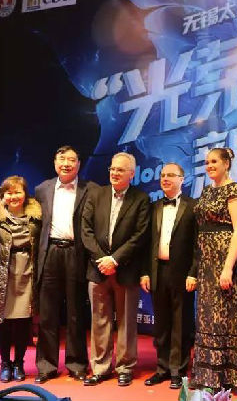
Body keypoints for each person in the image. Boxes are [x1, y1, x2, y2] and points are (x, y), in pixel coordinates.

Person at [81, 152, 150, 387]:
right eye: (112, 168)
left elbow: (140, 235)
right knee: (99, 321)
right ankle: (100, 368)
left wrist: (115, 260)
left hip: (125, 270)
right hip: (97, 268)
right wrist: (102, 259)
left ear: (132, 174)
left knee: (126, 322)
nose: (114, 173)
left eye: (120, 170)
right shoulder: (96, 194)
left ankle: (125, 367)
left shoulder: (141, 199)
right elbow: (86, 230)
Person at [34, 146, 97, 383]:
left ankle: (77, 363)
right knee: (48, 313)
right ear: (55, 163)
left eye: (71, 160)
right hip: (50, 252)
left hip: (76, 253)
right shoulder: (42, 189)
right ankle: (46, 366)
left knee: (75, 313)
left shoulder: (91, 189)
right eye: (62, 159)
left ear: (79, 164)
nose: (66, 164)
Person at [192, 147, 237, 391]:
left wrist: (228, 268)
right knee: (205, 317)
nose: (209, 166)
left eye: (214, 161)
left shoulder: (234, 190)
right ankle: (205, 372)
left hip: (224, 259)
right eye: (207, 162)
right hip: (206, 261)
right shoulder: (206, 190)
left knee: (221, 318)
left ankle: (224, 376)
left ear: (226, 164)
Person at [0, 176, 41, 383]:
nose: (14, 196)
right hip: (3, 275)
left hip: (27, 275)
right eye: (9, 193)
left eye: (18, 192)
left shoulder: (36, 218)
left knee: (23, 323)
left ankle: (19, 363)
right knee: (3, 323)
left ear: (25, 194)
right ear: (3, 195)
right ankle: (5, 364)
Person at [141, 163, 198, 390]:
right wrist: (145, 272)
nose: (165, 179)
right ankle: (162, 368)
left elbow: (198, 245)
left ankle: (178, 370)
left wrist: (193, 273)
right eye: (163, 175)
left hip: (183, 274)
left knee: (181, 324)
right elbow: (147, 244)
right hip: (158, 271)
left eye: (171, 175)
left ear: (182, 179)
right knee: (161, 324)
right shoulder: (154, 207)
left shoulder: (193, 207)